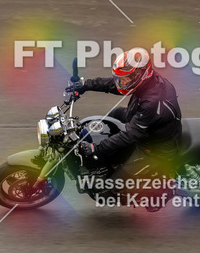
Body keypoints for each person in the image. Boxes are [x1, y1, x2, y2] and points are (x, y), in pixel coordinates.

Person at [65, 48, 182, 177]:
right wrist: (86, 85)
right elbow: (115, 85)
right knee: (115, 113)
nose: (121, 82)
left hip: (155, 148)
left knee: (116, 182)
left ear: (139, 75)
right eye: (120, 78)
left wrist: (96, 148)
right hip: (144, 120)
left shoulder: (154, 101)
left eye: (124, 78)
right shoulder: (147, 80)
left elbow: (129, 135)